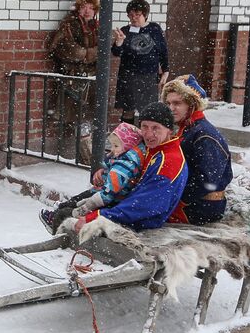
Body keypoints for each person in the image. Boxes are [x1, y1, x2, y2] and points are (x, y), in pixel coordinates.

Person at [73, 102, 187, 233]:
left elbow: (144, 206)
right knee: (77, 203)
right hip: (128, 207)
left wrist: (97, 216)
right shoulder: (155, 148)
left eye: (156, 128)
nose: (149, 134)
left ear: (169, 130)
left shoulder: (169, 161)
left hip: (142, 221)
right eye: (144, 127)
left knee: (69, 215)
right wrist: (107, 171)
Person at [38, 122, 146, 233]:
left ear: (129, 145)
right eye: (112, 145)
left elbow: (109, 193)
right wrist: (104, 170)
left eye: (116, 146)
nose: (112, 150)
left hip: (105, 198)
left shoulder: (123, 165)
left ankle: (55, 221)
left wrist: (88, 206)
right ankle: (60, 209)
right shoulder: (126, 158)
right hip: (103, 192)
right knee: (78, 199)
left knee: (76, 204)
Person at [162, 74, 232, 225]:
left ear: (192, 104)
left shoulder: (204, 135)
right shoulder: (187, 129)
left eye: (177, 103)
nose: (171, 108)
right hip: (189, 201)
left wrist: (174, 198)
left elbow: (206, 181)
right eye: (168, 103)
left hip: (199, 207)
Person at [45, 0, 101, 158]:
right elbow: (67, 49)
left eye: (91, 7)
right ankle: (87, 157)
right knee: (79, 117)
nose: (87, 11)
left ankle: (88, 156)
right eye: (84, 6)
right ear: (78, 7)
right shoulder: (69, 24)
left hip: (92, 78)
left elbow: (105, 51)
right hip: (73, 77)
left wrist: (90, 54)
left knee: (89, 116)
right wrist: (89, 54)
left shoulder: (98, 26)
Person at [111, 0, 169, 122]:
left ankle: (145, 139)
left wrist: (165, 70)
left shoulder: (154, 29)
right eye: (131, 15)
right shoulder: (125, 30)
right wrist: (119, 42)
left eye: (137, 15)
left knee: (147, 111)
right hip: (128, 76)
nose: (134, 18)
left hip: (148, 76)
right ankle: (127, 139)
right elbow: (116, 53)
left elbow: (163, 51)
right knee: (128, 110)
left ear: (145, 15)